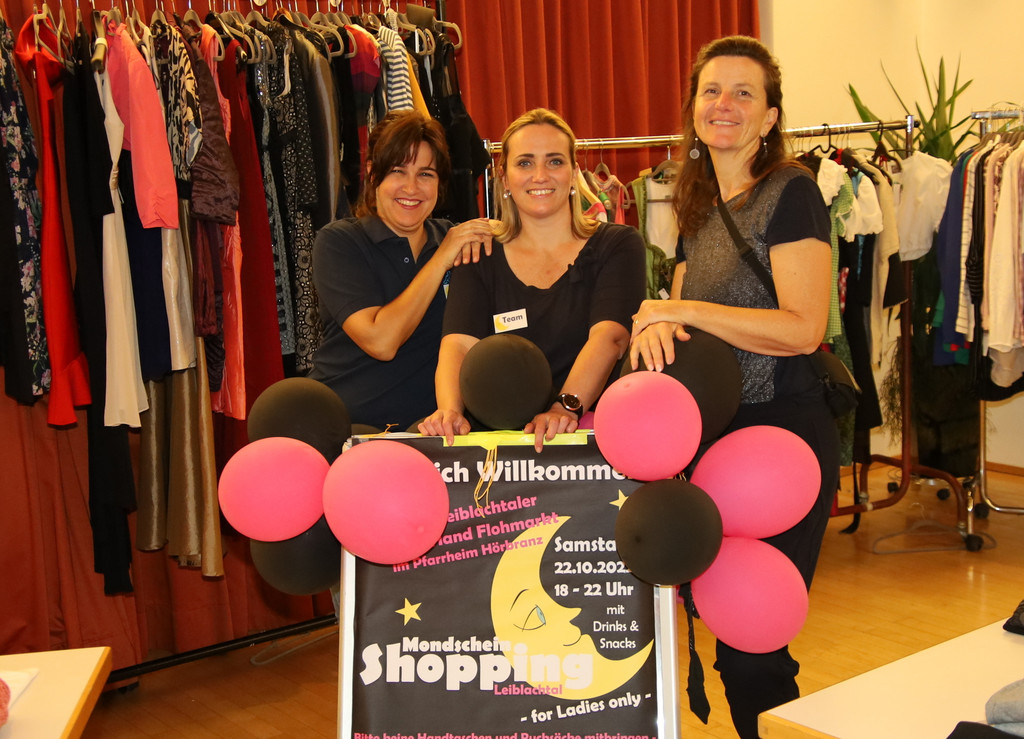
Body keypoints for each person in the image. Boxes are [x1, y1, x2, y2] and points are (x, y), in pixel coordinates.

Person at [628, 36, 839, 738]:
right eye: (712, 90)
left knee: (754, 643)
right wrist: (656, 322)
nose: (725, 104)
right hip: (716, 439)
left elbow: (803, 328)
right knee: (728, 628)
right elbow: (681, 321)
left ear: (770, 116)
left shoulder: (793, 191)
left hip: (783, 439)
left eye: (745, 92)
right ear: (693, 108)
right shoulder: (697, 205)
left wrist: (678, 308)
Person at [418, 108, 646, 451]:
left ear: (574, 173)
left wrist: (564, 408)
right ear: (505, 178)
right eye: (525, 163)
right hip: (497, 441)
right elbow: (459, 344)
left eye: (554, 161)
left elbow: (610, 338)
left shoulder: (617, 245)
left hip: (588, 439)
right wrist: (450, 411)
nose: (540, 175)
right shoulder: (481, 251)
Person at [309, 110, 495, 431]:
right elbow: (381, 342)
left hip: (437, 428)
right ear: (372, 174)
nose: (411, 187)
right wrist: (441, 259)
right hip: (351, 428)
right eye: (398, 171)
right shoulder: (340, 242)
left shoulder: (456, 240)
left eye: (426, 174)